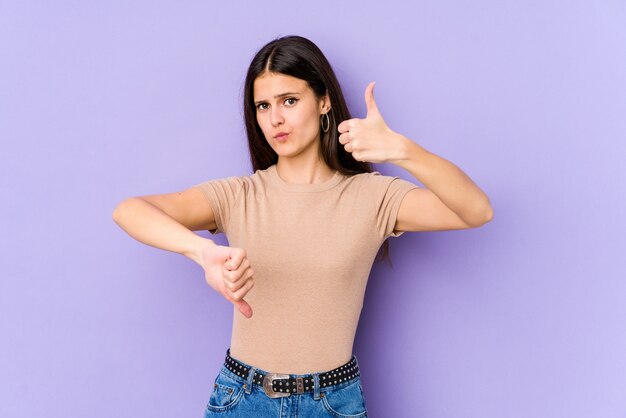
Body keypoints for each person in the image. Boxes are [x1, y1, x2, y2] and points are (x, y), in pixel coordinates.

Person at [112, 35, 493, 417]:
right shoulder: (239, 195)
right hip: (242, 399)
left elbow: (476, 211)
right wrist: (202, 252)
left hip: (333, 401)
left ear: (323, 101)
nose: (275, 118)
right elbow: (130, 210)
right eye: (263, 106)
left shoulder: (372, 197)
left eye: (289, 101)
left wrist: (402, 151)